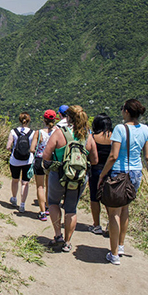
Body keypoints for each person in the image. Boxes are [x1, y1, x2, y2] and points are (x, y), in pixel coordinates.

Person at [98, 99, 148, 265]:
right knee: (125, 208)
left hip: (118, 172)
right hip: (136, 173)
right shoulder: (146, 129)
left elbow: (113, 156)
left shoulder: (120, 128)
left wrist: (103, 175)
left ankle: (114, 254)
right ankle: (121, 245)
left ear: (126, 111)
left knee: (113, 214)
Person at [42, 105, 98, 252]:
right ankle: (67, 242)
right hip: (79, 177)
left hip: (59, 174)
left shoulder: (60, 133)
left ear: (68, 118)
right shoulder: (88, 136)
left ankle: (58, 235)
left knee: (53, 203)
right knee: (71, 209)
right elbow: (95, 160)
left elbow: (46, 155)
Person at [30, 109, 57, 221]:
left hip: (39, 160)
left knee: (40, 187)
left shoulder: (39, 133)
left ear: (44, 120)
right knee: (49, 186)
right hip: (51, 161)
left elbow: (32, 148)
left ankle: (42, 212)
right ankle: (48, 208)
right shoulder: (58, 132)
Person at [88, 113, 113, 235]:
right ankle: (111, 224)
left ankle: (96, 225)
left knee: (94, 197)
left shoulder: (93, 137)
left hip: (95, 169)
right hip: (111, 170)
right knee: (109, 199)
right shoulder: (114, 138)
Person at [6, 112, 34, 213]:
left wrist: (13, 151)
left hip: (15, 160)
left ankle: (14, 198)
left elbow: (8, 146)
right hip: (28, 160)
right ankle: (22, 204)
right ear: (29, 121)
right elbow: (34, 148)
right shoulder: (33, 133)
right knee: (25, 183)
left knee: (15, 180)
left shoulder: (13, 132)